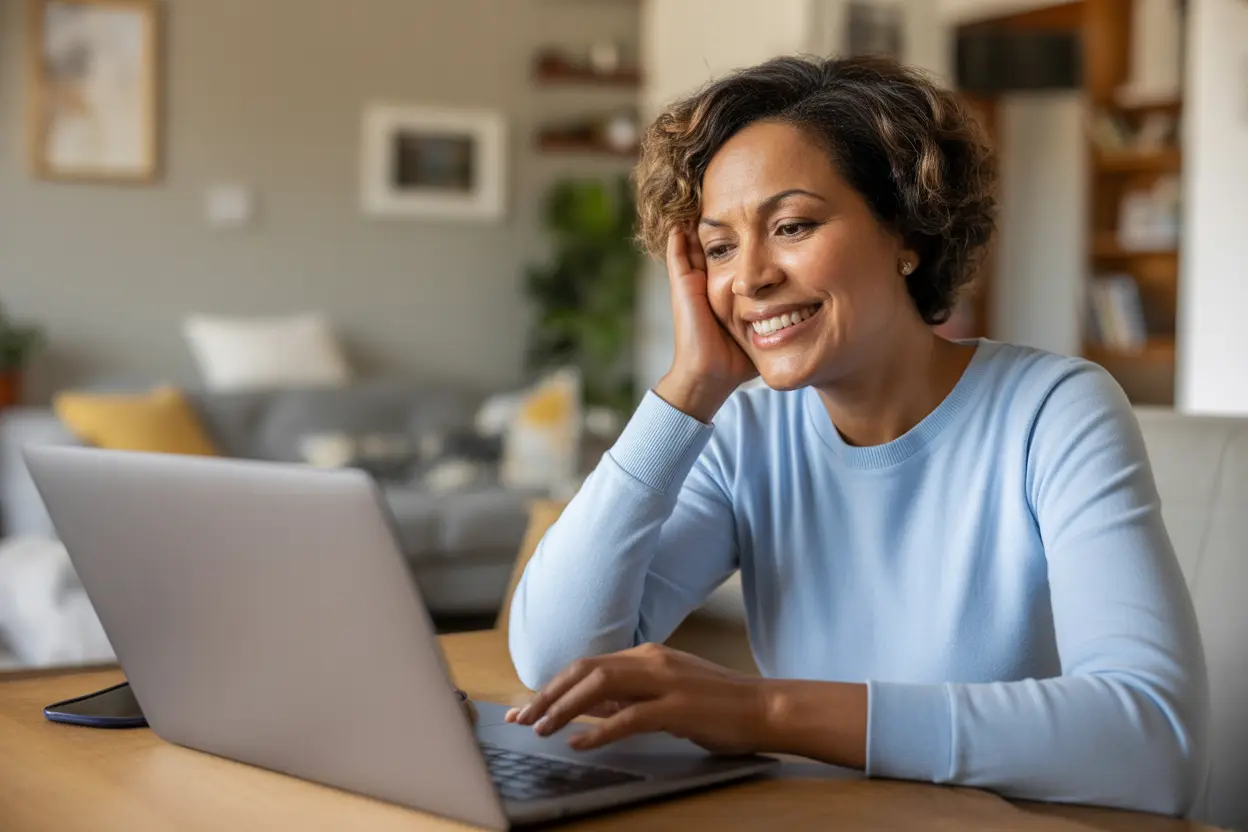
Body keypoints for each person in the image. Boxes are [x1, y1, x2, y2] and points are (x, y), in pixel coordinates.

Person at [505, 55, 1209, 817]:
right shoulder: (748, 432)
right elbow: (560, 661)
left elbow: (1153, 739)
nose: (749, 278)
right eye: (718, 247)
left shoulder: (1054, 412)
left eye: (792, 226)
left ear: (906, 226)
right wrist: (687, 393)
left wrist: (765, 712)